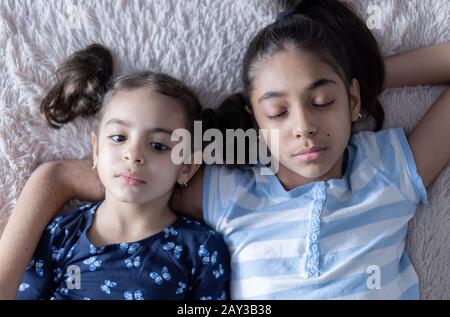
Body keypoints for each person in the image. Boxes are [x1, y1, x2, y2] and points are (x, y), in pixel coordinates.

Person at [1, 0, 450, 299]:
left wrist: (366, 79)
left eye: (322, 101)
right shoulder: (229, 190)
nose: (305, 128)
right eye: (277, 111)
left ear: (351, 101)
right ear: (254, 121)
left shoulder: (391, 170)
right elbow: (79, 176)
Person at [12, 44, 230, 300]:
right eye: (118, 137)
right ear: (96, 151)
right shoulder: (61, 235)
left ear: (187, 167)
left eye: (158, 146)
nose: (133, 154)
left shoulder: (200, 249)